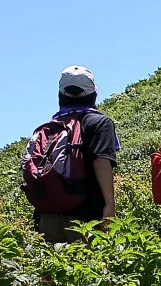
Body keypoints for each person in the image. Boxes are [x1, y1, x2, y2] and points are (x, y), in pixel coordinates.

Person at [34, 66, 120, 243]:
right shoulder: (99, 122)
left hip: (48, 217)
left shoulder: (51, 127)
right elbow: (101, 162)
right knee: (90, 268)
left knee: (53, 268)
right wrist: (109, 206)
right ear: (93, 94)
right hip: (86, 217)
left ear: (61, 95)